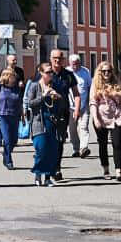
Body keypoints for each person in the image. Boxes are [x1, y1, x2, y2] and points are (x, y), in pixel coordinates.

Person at [23, 63, 61, 186]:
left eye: (51, 72)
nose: (50, 74)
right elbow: (30, 103)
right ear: (41, 73)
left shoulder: (54, 85)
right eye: (48, 72)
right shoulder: (34, 86)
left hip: (51, 121)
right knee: (41, 150)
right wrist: (43, 96)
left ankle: (48, 177)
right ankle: (38, 173)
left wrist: (57, 97)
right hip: (38, 122)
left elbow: (60, 103)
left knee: (51, 151)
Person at [90, 61, 121, 180]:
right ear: (100, 72)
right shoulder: (95, 84)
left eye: (109, 71)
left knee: (116, 144)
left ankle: (118, 171)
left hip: (116, 117)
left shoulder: (117, 83)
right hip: (101, 117)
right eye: (104, 71)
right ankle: (106, 169)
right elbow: (92, 103)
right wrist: (95, 119)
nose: (106, 73)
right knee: (103, 144)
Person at [46, 50, 78, 182]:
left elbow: (76, 93)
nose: (57, 60)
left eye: (59, 58)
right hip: (47, 112)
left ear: (63, 59)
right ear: (50, 58)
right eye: (54, 58)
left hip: (62, 112)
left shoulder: (68, 75)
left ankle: (57, 167)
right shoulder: (45, 74)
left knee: (59, 141)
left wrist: (76, 109)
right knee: (48, 141)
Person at [0, 68, 23, 169]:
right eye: (13, 76)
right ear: (7, 77)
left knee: (14, 140)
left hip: (15, 115)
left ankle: (6, 154)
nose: (15, 78)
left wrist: (23, 114)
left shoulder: (16, 88)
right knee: (7, 140)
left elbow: (19, 101)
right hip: (2, 115)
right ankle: (9, 161)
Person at [68, 53, 93, 159]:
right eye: (73, 64)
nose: (75, 66)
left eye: (77, 63)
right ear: (70, 63)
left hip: (84, 105)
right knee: (72, 129)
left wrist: (89, 102)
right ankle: (76, 149)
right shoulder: (67, 72)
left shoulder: (85, 71)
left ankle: (84, 148)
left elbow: (89, 87)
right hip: (70, 107)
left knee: (83, 127)